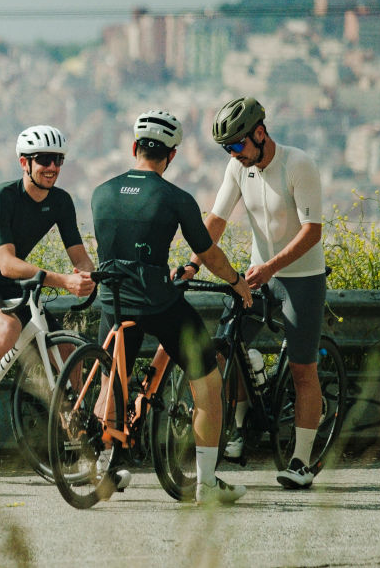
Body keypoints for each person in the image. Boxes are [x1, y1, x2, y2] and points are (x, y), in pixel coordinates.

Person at [91, 109, 251, 505]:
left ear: (134, 147)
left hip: (113, 301)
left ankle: (101, 468)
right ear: (172, 155)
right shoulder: (176, 198)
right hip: (157, 302)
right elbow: (208, 254)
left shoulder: (101, 192)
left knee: (111, 384)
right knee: (208, 384)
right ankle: (206, 484)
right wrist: (236, 280)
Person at [193, 96, 326, 490]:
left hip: (302, 278)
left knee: (303, 370)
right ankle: (239, 428)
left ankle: (301, 461)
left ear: (260, 133)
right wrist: (193, 263)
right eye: (227, 149)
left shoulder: (298, 164)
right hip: (259, 276)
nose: (234, 154)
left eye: (237, 145)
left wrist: (272, 267)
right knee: (223, 350)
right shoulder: (238, 167)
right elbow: (216, 221)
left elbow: (312, 231)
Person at [0, 125, 96, 442]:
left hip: (10, 285)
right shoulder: (2, 197)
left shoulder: (60, 201)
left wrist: (87, 276)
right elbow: (7, 263)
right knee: (8, 328)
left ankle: (73, 425)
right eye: (44, 159)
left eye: (58, 160)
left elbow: (80, 257)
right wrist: (63, 281)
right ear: (24, 163)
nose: (52, 167)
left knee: (67, 349)